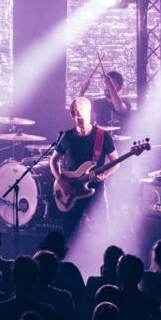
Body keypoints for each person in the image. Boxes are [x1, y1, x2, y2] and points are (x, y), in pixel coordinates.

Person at [49, 97, 119, 238]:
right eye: (79, 117)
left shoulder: (103, 136)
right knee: (69, 233)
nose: (83, 120)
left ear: (90, 112)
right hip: (72, 190)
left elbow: (116, 163)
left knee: (103, 232)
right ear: (72, 116)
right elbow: (53, 161)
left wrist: (103, 176)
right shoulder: (67, 137)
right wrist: (60, 180)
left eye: (85, 116)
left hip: (96, 190)